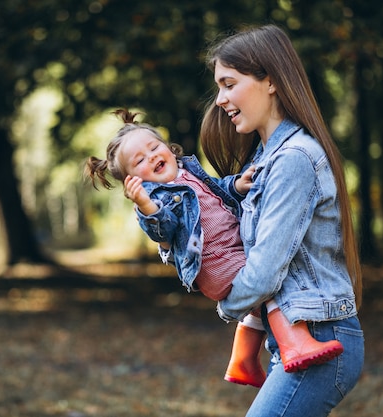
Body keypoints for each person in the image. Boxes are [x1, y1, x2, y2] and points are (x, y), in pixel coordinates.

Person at [85, 108, 344, 389]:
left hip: (227, 253)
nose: (152, 157)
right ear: (135, 181)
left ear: (169, 148)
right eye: (140, 161)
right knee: (270, 281)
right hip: (215, 263)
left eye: (154, 147)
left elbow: (215, 193)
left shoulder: (187, 173)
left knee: (256, 306)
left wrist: (237, 185)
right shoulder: (156, 197)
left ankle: (242, 361)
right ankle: (294, 343)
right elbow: (164, 227)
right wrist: (146, 205)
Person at [199, 24, 364, 416]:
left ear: (269, 81)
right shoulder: (262, 162)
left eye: (229, 84)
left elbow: (264, 272)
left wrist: (227, 303)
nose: (220, 99)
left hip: (322, 339)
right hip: (294, 343)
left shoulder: (293, 159)